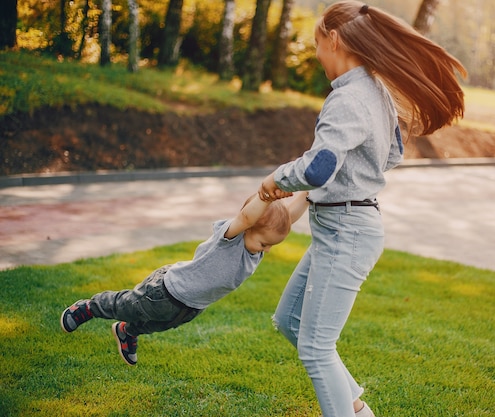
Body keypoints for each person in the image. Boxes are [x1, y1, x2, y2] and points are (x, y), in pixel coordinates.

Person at [258, 2, 466, 416]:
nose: (317, 55)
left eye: (318, 44)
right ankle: (356, 408)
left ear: (334, 40)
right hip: (342, 226)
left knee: (316, 349)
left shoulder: (349, 98)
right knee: (290, 322)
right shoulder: (377, 92)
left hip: (347, 230)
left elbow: (318, 168)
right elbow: (391, 155)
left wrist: (276, 180)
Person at [60, 191, 309, 366]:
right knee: (124, 306)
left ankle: (126, 332)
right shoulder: (231, 238)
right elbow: (246, 216)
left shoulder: (255, 248)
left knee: (157, 325)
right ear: (249, 227)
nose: (267, 250)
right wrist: (266, 195)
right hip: (165, 291)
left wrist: (308, 194)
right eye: (265, 243)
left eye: (270, 245)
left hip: (191, 306)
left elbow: (287, 218)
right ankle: (88, 308)